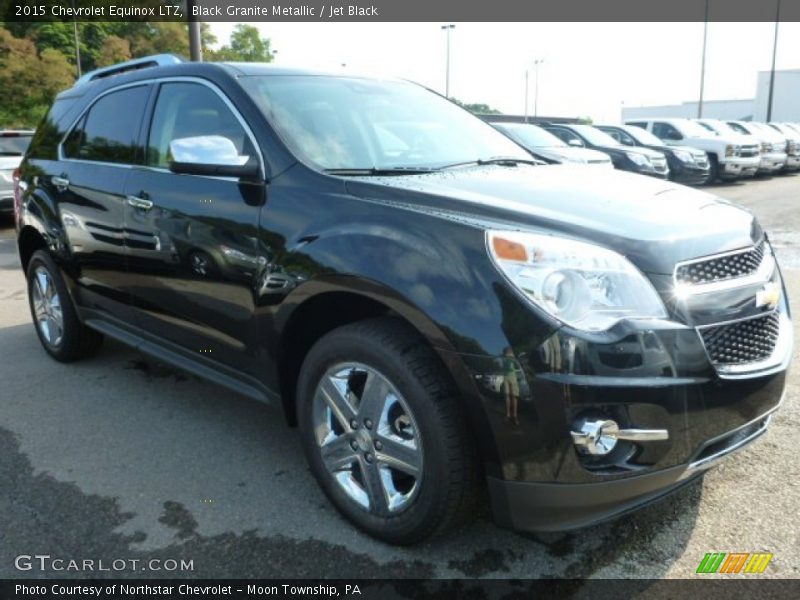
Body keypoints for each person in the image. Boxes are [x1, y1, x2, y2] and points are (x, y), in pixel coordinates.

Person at [502, 347, 520, 425]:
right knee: (507, 395)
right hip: (505, 377)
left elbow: (518, 366)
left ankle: (515, 416)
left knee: (514, 396)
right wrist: (507, 357)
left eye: (509, 351)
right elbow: (505, 366)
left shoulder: (512, 357)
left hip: (513, 376)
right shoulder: (503, 358)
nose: (508, 352)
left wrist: (513, 358)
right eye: (507, 351)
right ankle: (508, 415)